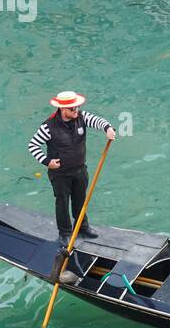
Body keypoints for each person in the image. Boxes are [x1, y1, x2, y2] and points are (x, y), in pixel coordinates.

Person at [27, 91, 116, 244]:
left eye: (77, 107)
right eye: (73, 109)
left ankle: (82, 227)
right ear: (63, 109)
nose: (76, 111)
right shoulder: (48, 127)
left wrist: (108, 129)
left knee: (80, 200)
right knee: (62, 202)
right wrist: (47, 161)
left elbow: (99, 121)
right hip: (60, 174)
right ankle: (64, 233)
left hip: (80, 170)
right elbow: (33, 145)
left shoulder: (81, 117)